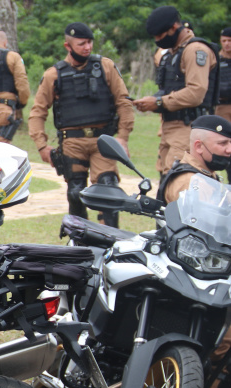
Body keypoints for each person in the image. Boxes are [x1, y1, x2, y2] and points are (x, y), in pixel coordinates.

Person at [157, 115, 231, 388]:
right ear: (199, 146)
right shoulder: (189, 180)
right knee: (220, 349)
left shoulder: (211, 178)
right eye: (224, 145)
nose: (229, 150)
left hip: (205, 279)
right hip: (190, 287)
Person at [28, 22, 134, 228]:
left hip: (103, 140)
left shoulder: (105, 66)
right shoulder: (54, 74)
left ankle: (110, 241)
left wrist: (123, 136)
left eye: (90, 42)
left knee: (108, 191)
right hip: (73, 142)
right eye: (81, 43)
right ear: (67, 46)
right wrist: (41, 145)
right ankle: (80, 245)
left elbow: (124, 101)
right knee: (75, 193)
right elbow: (38, 112)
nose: (87, 47)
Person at [134, 6, 218, 176]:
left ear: (174, 28)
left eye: (160, 36)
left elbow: (196, 93)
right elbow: (171, 89)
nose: (158, 40)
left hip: (188, 126)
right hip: (170, 127)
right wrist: (152, 101)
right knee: (166, 182)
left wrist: (159, 102)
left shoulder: (195, 50)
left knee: (179, 182)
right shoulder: (173, 53)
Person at [217, 28, 231, 182]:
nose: (227, 44)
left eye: (230, 41)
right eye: (224, 40)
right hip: (222, 108)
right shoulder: (217, 60)